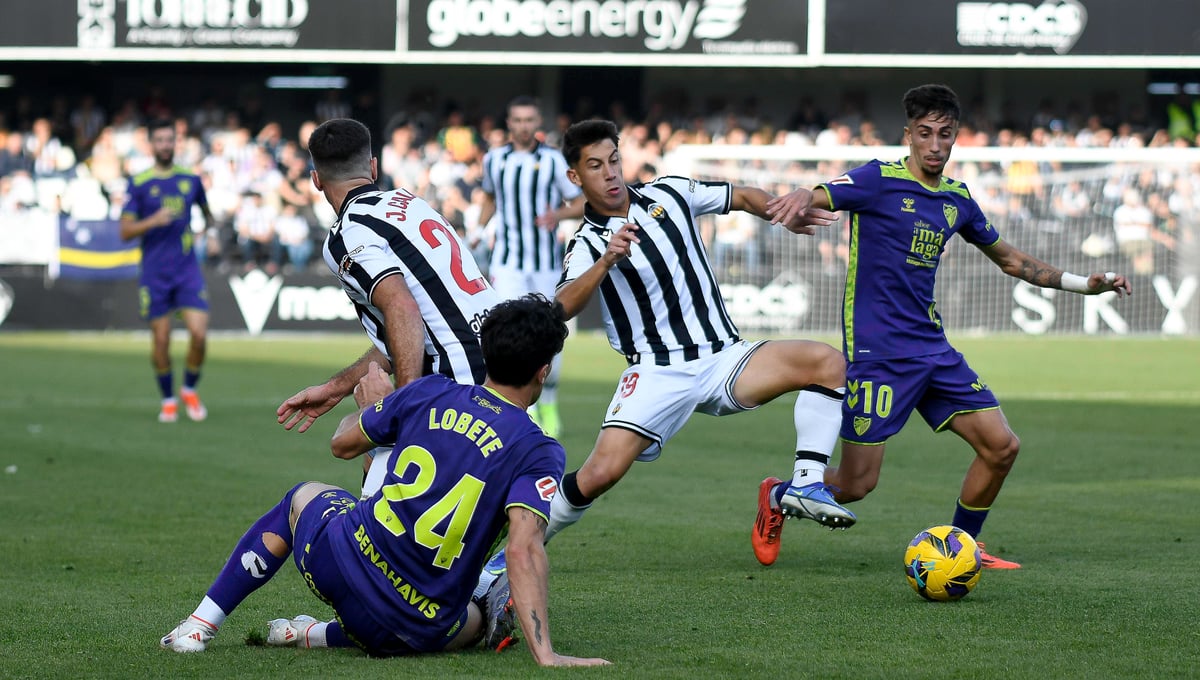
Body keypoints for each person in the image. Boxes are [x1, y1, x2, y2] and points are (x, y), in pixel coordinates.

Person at [761, 84, 1133, 569]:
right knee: (856, 484)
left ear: (956, 137)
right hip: (879, 354)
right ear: (908, 135)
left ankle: (963, 548)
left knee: (1001, 447)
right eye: (925, 133)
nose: (935, 145)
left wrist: (1085, 284)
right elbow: (822, 193)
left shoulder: (957, 198)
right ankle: (777, 494)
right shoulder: (878, 179)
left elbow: (1011, 260)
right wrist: (800, 195)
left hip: (933, 350)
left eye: (945, 134)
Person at [479, 119, 856, 587]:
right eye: (595, 166)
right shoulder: (588, 243)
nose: (610, 173)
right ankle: (508, 556)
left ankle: (803, 483)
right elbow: (561, 306)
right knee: (599, 474)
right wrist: (607, 260)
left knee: (827, 362)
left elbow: (741, 196)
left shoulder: (671, 193)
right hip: (657, 373)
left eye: (613, 160)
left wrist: (779, 212)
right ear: (575, 176)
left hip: (724, 357)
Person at [161, 296, 608, 667]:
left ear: (485, 352)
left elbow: (341, 443)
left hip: (339, 568)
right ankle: (318, 634)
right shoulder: (539, 449)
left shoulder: (430, 390)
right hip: (417, 626)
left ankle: (200, 626)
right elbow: (524, 547)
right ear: (543, 371)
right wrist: (546, 655)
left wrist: (375, 408)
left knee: (302, 496)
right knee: (474, 621)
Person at [276, 118, 500, 494]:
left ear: (316, 179)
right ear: (374, 167)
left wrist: (403, 405)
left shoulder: (347, 234)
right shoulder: (412, 203)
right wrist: (337, 387)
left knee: (360, 474)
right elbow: (412, 326)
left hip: (454, 386)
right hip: (503, 367)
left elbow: (402, 308)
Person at [477, 96, 584, 437]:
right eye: (518, 120)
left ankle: (548, 399)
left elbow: (581, 201)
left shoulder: (553, 160)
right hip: (507, 262)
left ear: (538, 123)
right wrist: (478, 230)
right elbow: (489, 198)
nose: (523, 126)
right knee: (506, 329)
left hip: (545, 264)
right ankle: (527, 406)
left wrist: (558, 214)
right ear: (509, 123)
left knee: (550, 329)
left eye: (529, 120)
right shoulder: (494, 159)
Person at [119, 118, 214, 423]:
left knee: (199, 334)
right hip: (154, 272)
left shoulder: (191, 180)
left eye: (169, 140)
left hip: (187, 270)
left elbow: (208, 214)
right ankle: (169, 399)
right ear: (151, 144)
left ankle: (189, 388)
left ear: (176, 143)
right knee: (161, 340)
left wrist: (208, 234)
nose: (164, 145)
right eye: (159, 140)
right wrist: (153, 220)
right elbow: (125, 231)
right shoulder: (139, 182)